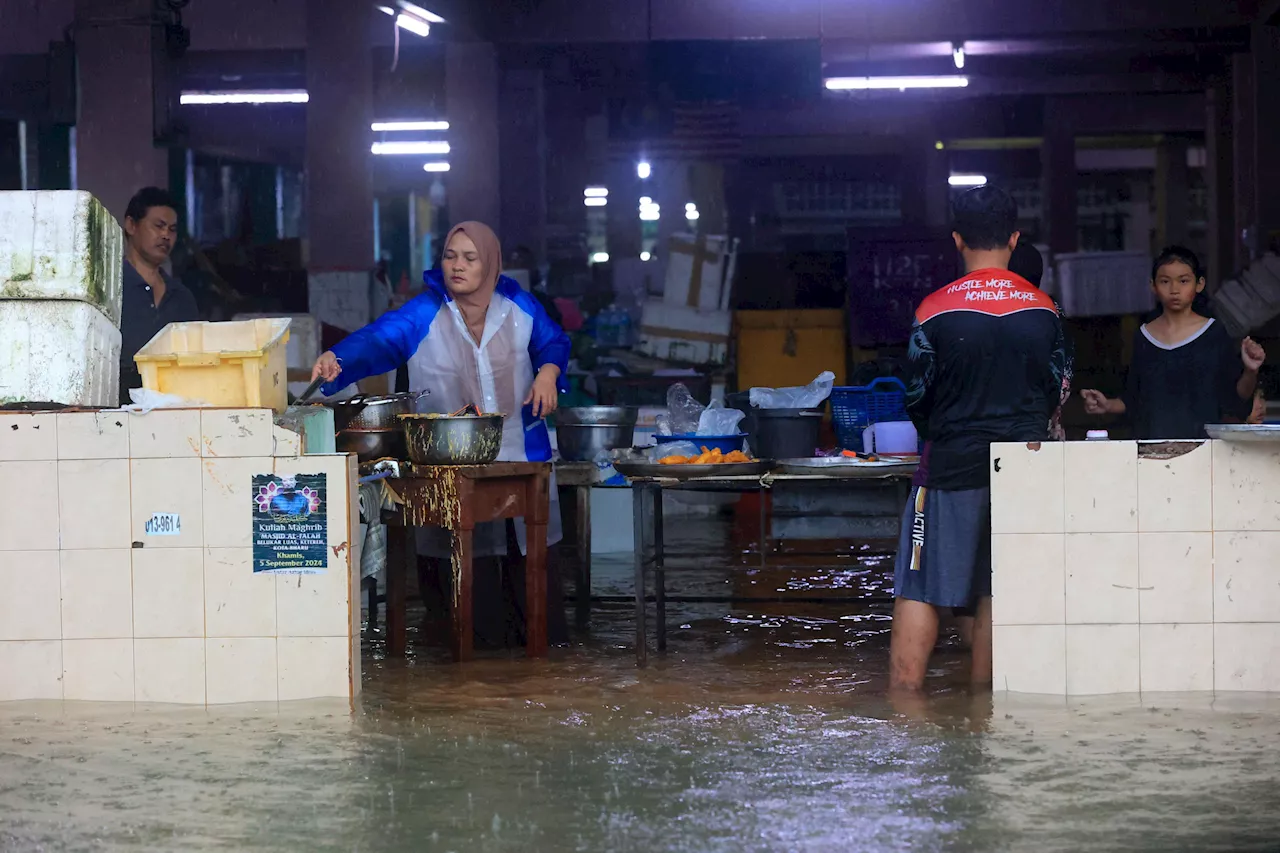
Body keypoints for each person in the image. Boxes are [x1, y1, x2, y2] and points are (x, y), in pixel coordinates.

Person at [311, 221, 571, 647]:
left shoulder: (518, 306)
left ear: (489, 263)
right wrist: (338, 357)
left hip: (522, 454)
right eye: (450, 256)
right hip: (450, 461)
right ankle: (473, 671)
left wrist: (548, 372)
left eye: (470, 258)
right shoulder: (426, 312)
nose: (457, 266)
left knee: (531, 561)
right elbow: (380, 338)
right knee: (467, 570)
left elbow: (553, 341)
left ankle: (539, 669)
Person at [890, 186, 1071, 693]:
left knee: (920, 584)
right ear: (1014, 239)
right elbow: (1058, 390)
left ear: (957, 239)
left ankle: (905, 708)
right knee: (998, 586)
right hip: (1022, 468)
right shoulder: (1045, 311)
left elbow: (916, 395)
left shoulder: (933, 310)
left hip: (950, 463)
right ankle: (981, 708)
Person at [1079, 246, 1265, 438]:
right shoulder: (1143, 336)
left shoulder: (1213, 334)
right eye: (1165, 281)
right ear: (1153, 286)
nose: (1174, 290)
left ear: (1199, 284)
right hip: (1152, 450)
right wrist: (1107, 404)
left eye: (1184, 281)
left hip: (1203, 451)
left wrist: (1251, 370)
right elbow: (1134, 399)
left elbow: (1234, 399)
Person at [118, 187, 199, 405]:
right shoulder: (110, 290)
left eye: (172, 230)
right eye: (159, 226)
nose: (166, 235)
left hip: (174, 417)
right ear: (131, 225)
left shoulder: (182, 297)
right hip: (115, 419)